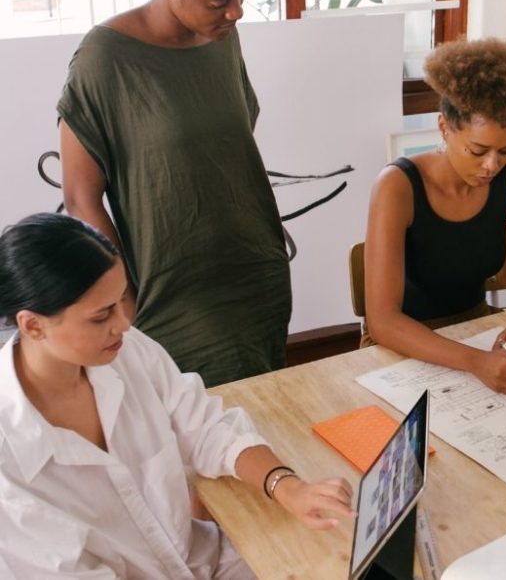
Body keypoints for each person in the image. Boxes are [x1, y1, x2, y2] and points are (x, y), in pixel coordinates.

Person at [0, 213, 353, 579]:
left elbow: (205, 428)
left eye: (121, 300)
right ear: (33, 325)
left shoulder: (125, 350)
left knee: (344, 553)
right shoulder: (9, 460)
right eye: (101, 315)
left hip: (208, 561)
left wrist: (287, 486)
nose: (123, 324)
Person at [58, 0, 290, 387]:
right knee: (191, 430)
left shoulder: (221, 38)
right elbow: (80, 198)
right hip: (170, 290)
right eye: (220, 1)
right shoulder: (104, 58)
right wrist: (122, 298)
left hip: (256, 271)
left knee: (263, 414)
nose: (236, 12)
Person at [364, 39, 506, 395]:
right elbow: (383, 322)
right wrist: (475, 362)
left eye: (505, 151)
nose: (492, 165)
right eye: (477, 151)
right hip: (402, 347)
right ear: (444, 127)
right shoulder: (397, 186)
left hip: (476, 332)